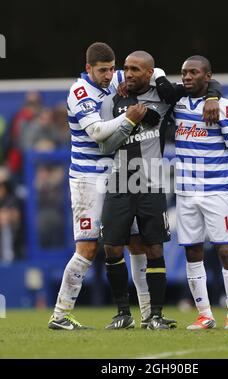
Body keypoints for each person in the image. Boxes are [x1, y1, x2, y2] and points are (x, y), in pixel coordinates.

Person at [98, 51, 222, 330]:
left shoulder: (165, 97)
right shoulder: (111, 101)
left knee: (154, 247)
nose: (128, 74)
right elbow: (104, 147)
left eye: (135, 70)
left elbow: (206, 84)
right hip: (120, 181)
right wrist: (129, 121)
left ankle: (154, 316)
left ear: (149, 73)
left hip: (152, 182)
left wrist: (213, 97)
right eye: (126, 69)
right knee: (112, 248)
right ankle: (122, 313)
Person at [48, 42, 148, 330]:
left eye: (112, 69)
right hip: (88, 178)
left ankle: (147, 315)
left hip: (119, 174)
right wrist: (128, 117)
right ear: (88, 67)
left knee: (136, 241)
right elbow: (97, 132)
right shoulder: (79, 91)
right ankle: (60, 315)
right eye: (102, 70)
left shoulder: (116, 79)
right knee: (88, 247)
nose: (109, 75)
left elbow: (156, 72)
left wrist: (213, 90)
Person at [169, 55, 228, 330]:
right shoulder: (177, 104)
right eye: (184, 73)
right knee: (192, 252)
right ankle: (205, 314)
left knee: (226, 251)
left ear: (208, 76)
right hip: (185, 192)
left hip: (216, 191)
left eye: (194, 73)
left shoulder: (224, 107)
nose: (187, 77)